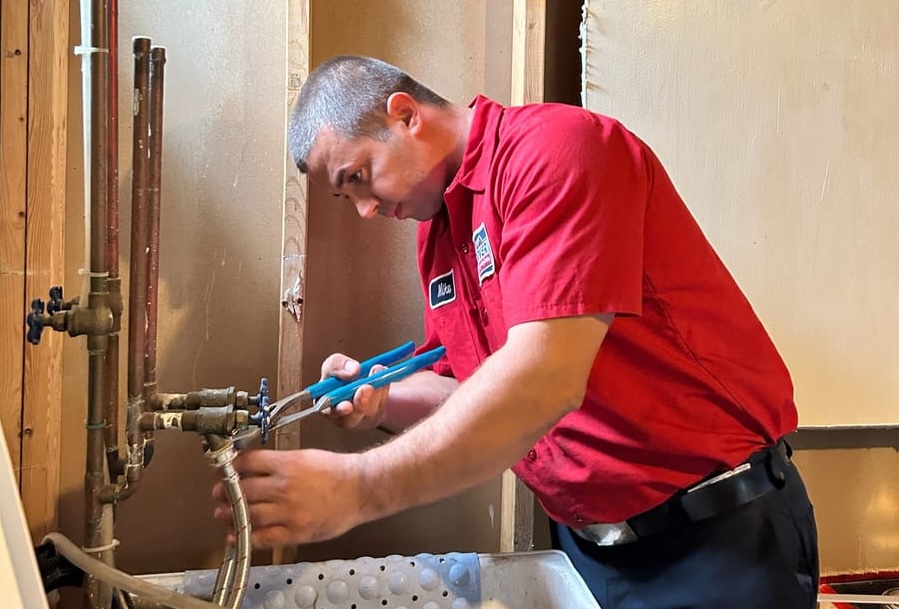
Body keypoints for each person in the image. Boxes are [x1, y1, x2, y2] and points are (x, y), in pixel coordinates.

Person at [213, 55, 819, 609]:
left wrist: (357, 488)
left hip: (714, 541)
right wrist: (383, 401)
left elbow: (543, 378)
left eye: (359, 177)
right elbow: (473, 387)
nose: (366, 210)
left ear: (405, 116)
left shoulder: (556, 151)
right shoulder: (440, 232)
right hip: (591, 551)